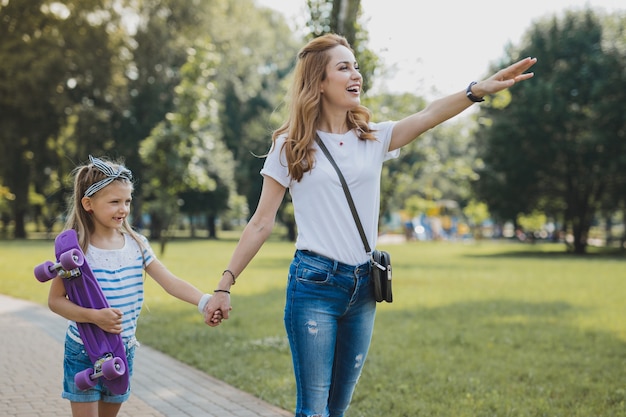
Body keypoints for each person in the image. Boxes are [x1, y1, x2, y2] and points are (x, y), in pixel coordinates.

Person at [204, 33, 536, 417]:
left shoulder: (373, 137)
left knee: (337, 409)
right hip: (314, 285)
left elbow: (428, 115)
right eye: (343, 67)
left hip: (364, 287)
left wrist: (476, 90)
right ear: (319, 82)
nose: (355, 74)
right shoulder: (290, 146)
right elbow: (261, 223)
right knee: (313, 411)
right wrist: (223, 286)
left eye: (356, 66)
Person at [48, 155, 222, 417]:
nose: (124, 209)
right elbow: (55, 300)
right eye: (115, 202)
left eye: (127, 201)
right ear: (88, 204)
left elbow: (169, 281)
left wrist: (204, 301)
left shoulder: (137, 243)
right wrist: (94, 317)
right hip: (83, 349)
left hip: (122, 349)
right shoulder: (76, 250)